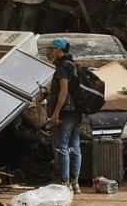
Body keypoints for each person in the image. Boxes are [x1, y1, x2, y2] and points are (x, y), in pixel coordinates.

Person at [45, 37, 82, 194]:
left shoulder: (62, 67)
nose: (52, 52)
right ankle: (75, 183)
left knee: (63, 147)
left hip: (66, 113)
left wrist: (56, 113)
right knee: (75, 147)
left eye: (53, 49)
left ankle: (65, 183)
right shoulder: (74, 65)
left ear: (59, 50)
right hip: (77, 112)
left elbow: (64, 91)